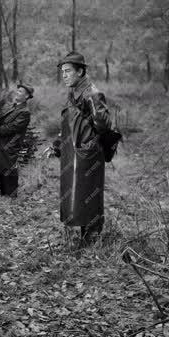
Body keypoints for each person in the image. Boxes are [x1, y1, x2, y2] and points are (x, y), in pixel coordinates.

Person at [49, 51, 111, 244]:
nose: (64, 75)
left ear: (81, 71)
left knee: (88, 194)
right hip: (73, 154)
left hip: (88, 155)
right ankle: (83, 238)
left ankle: (92, 240)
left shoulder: (92, 93)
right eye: (63, 71)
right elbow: (68, 124)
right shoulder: (73, 94)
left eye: (68, 71)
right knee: (76, 194)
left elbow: (103, 124)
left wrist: (89, 145)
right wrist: (58, 145)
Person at [0, 83, 34, 197]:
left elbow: (13, 127)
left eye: (21, 91)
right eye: (18, 90)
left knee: (9, 169)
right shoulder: (14, 106)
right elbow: (4, 121)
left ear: (26, 96)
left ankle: (12, 197)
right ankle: (3, 194)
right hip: (0, 143)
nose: (17, 92)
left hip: (10, 144)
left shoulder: (25, 112)